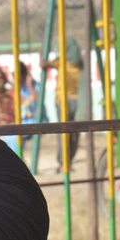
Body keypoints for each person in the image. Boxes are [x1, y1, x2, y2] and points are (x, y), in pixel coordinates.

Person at [41, 36, 83, 170]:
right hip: (77, 101)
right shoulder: (79, 63)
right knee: (74, 132)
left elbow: (43, 64)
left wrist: (41, 53)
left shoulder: (62, 61)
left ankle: (62, 162)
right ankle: (69, 160)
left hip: (63, 100)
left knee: (63, 132)